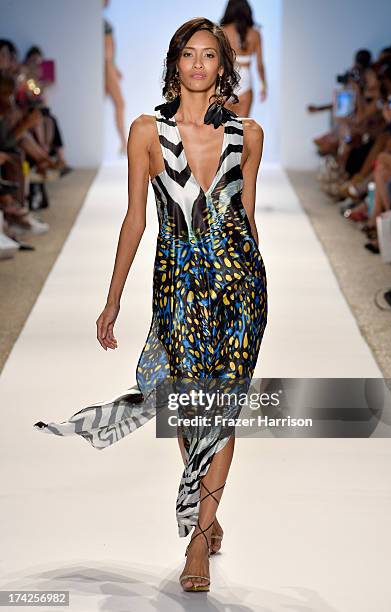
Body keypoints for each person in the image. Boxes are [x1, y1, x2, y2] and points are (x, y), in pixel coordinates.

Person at [34, 16, 268, 593]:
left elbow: (248, 218)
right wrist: (111, 301)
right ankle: (203, 505)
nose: (197, 64)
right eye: (188, 54)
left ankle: (198, 539)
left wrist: (259, 284)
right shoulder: (147, 131)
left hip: (240, 287)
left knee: (222, 410)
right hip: (177, 287)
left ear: (221, 66)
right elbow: (136, 218)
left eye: (208, 55)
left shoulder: (249, 135)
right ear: (174, 63)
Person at [220, 0, 267, 117]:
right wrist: (264, 86)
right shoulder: (255, 34)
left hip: (227, 79)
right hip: (246, 80)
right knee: (243, 128)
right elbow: (260, 65)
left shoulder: (223, 31)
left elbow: (217, 61)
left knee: (223, 128)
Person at [103, 0, 127, 155]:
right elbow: (107, 48)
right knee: (119, 103)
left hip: (108, 65)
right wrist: (110, 65)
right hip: (105, 66)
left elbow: (109, 47)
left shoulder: (102, 22)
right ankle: (123, 143)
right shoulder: (100, 23)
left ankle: (123, 143)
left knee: (117, 104)